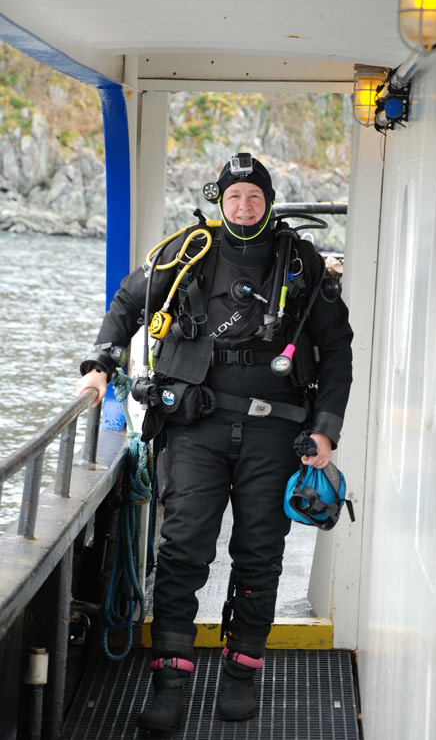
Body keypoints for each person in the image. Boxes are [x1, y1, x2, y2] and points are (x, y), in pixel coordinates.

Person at [75, 153, 353, 732]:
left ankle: (241, 672)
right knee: (182, 552)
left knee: (258, 554)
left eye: (254, 196)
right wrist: (101, 363)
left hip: (275, 433)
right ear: (219, 201)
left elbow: (339, 350)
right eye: (234, 197)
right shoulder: (187, 254)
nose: (244, 206)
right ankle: (170, 682)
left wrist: (325, 428)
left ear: (269, 201)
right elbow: (127, 306)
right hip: (194, 429)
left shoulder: (300, 264)